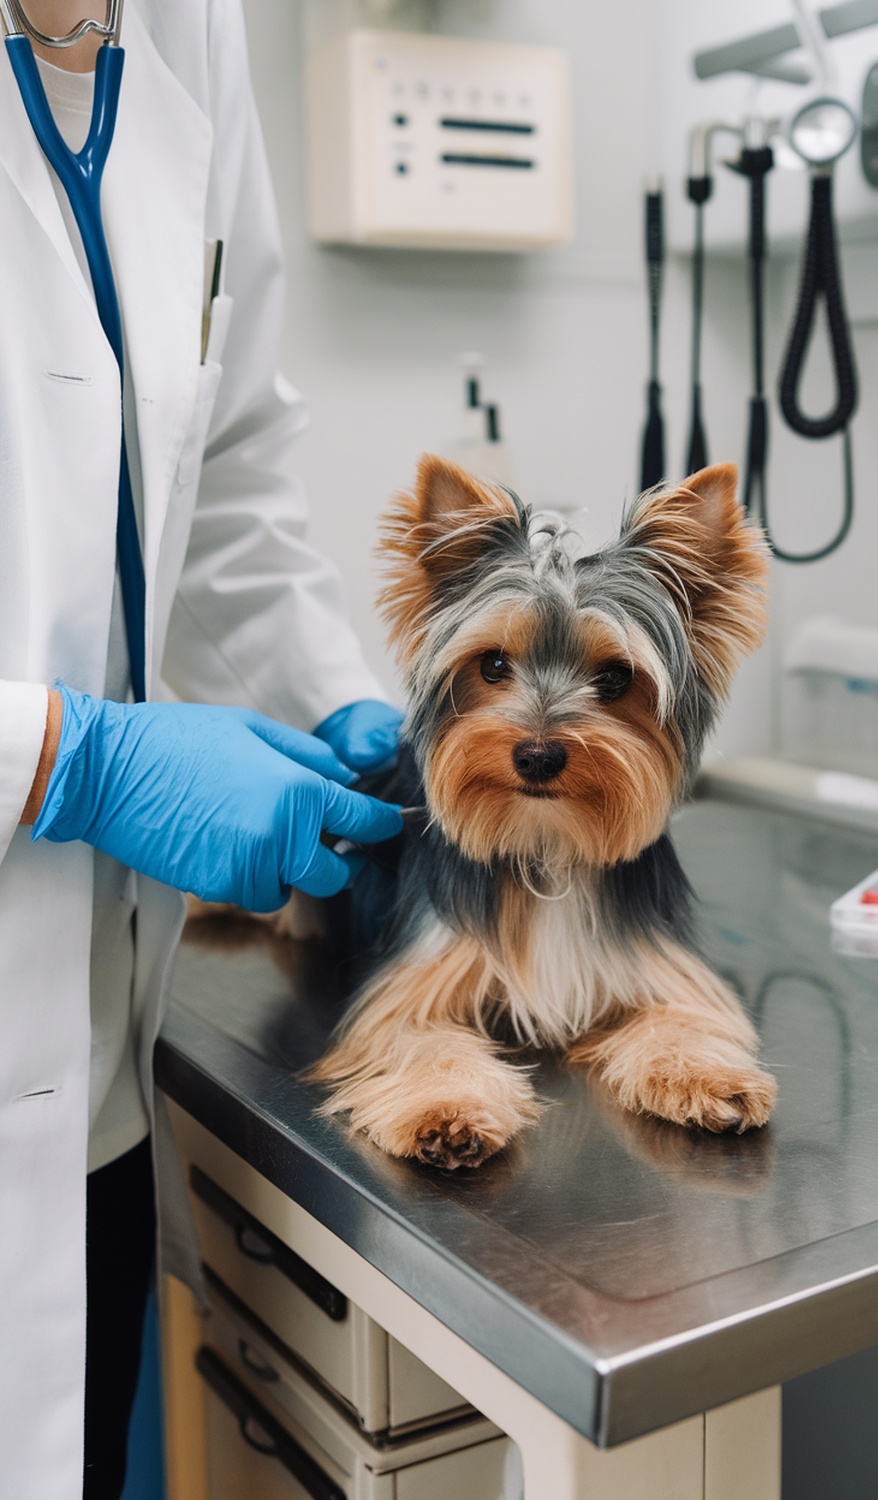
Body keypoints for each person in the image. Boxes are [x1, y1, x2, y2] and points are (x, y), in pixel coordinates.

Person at [0, 1, 405, 1494]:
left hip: (87, 1095)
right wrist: (63, 761)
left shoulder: (188, 28)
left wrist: (331, 704)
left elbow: (223, 460)